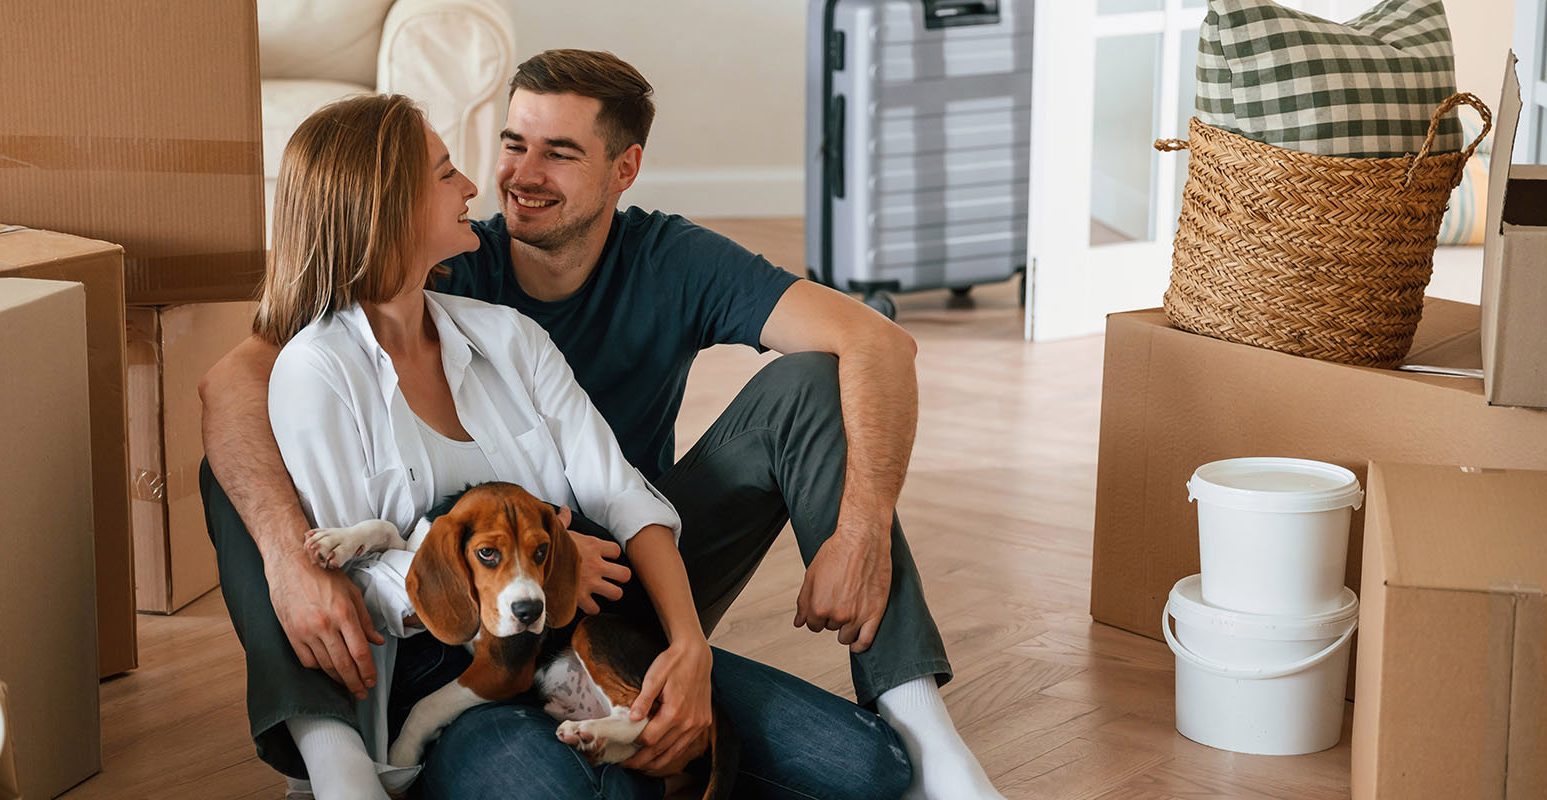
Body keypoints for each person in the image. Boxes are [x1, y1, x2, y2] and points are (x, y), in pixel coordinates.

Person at [203, 50, 1002, 800]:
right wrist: (290, 555)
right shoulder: (425, 286)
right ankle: (335, 753)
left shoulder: (547, 315)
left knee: (871, 767)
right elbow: (237, 382)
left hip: (615, 592)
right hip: (460, 627)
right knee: (235, 474)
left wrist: (848, 540)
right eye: (507, 146)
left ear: (624, 169)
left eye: (559, 152)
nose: (508, 179)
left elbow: (872, 343)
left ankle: (918, 722)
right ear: (393, 206)